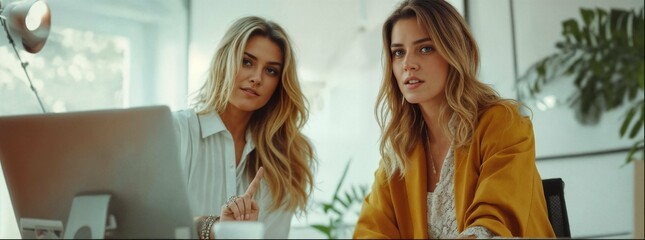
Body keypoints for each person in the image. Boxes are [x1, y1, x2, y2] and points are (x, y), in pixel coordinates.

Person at [353, 0, 556, 238]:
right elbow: (370, 231)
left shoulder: (503, 124)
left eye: (425, 48)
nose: (408, 64)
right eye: (398, 52)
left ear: (454, 52)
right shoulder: (399, 153)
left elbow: (494, 222)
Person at [173, 16, 315, 239]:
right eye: (247, 62)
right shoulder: (177, 132)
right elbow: (143, 226)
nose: (256, 78)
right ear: (225, 61)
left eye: (271, 71)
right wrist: (211, 228)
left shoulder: (284, 159)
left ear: (279, 83)